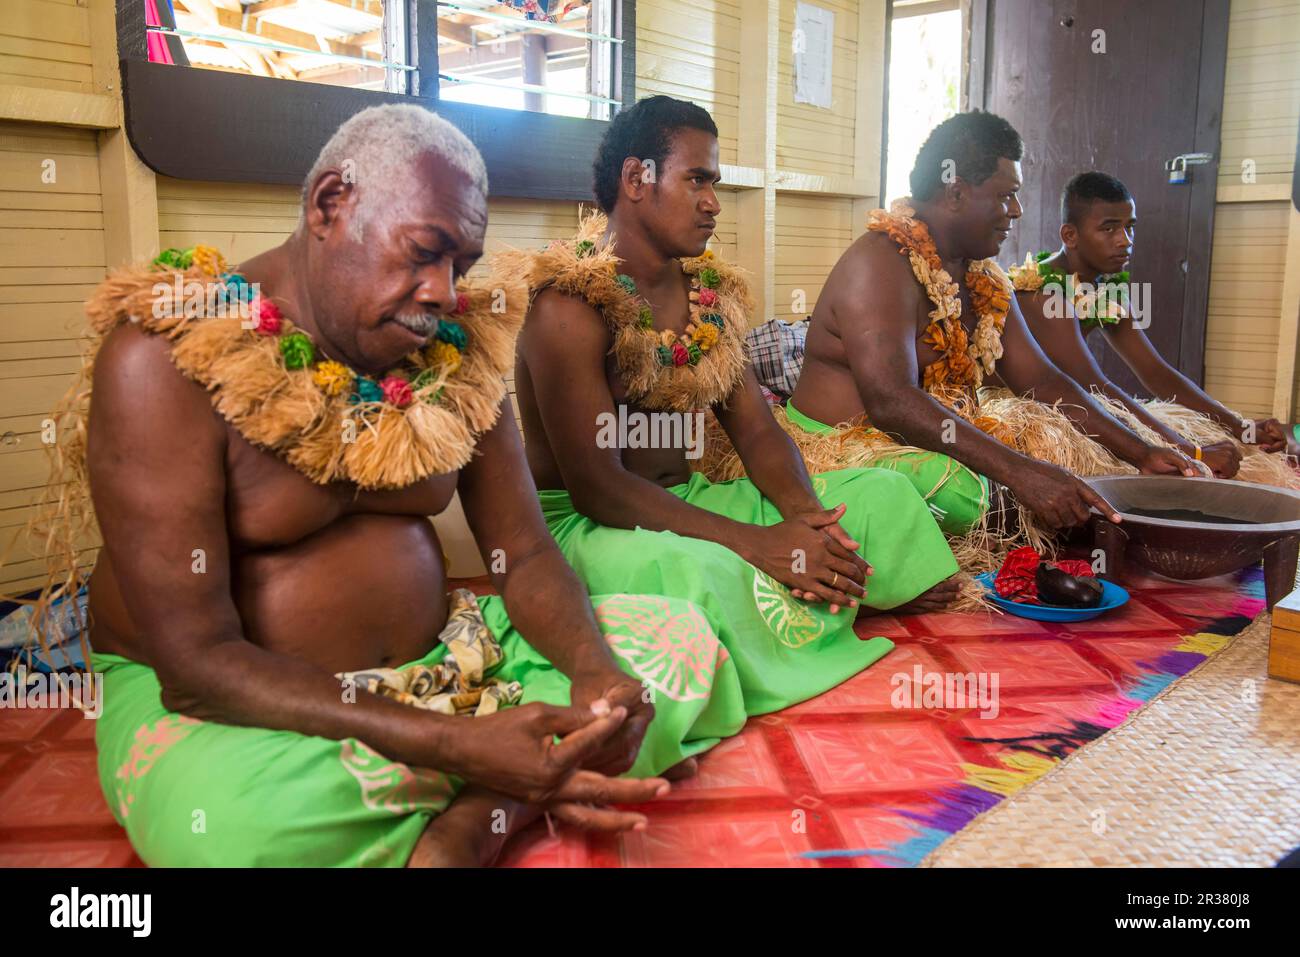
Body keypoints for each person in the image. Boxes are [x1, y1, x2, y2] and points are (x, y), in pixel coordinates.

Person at [30, 104, 754, 868]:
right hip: (233, 701)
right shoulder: (164, 354)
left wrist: (593, 674)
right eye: (423, 251)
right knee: (237, 826)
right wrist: (454, 741)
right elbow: (193, 662)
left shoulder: (454, 348)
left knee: (674, 649)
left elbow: (525, 554)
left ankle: (483, 813)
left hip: (448, 659)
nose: (443, 291)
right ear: (330, 204)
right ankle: (512, 779)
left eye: (462, 265)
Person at [503, 95, 961, 715]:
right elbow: (598, 489)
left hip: (687, 502)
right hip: (590, 527)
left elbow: (757, 431)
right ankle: (819, 602)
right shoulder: (567, 303)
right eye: (697, 180)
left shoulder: (707, 294)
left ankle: (811, 590)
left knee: (885, 496)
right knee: (690, 571)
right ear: (637, 179)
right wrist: (756, 542)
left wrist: (809, 523)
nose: (713, 201)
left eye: (713, 182)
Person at [760, 112, 1195, 552]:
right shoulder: (880, 263)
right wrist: (1020, 473)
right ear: (955, 192)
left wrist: (1140, 454)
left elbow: (1042, 381)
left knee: (1076, 471)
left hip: (929, 447)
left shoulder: (982, 276)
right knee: (991, 504)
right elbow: (890, 400)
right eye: (1007, 196)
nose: (1017, 211)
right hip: (841, 450)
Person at [1007, 170, 1298, 488]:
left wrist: (1240, 427)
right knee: (1166, 473)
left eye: (1129, 227)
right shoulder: (1042, 292)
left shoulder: (1105, 288)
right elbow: (1093, 386)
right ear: (1070, 236)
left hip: (1077, 403)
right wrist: (1191, 452)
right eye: (1108, 228)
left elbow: (1156, 372)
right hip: (1026, 418)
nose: (1125, 241)